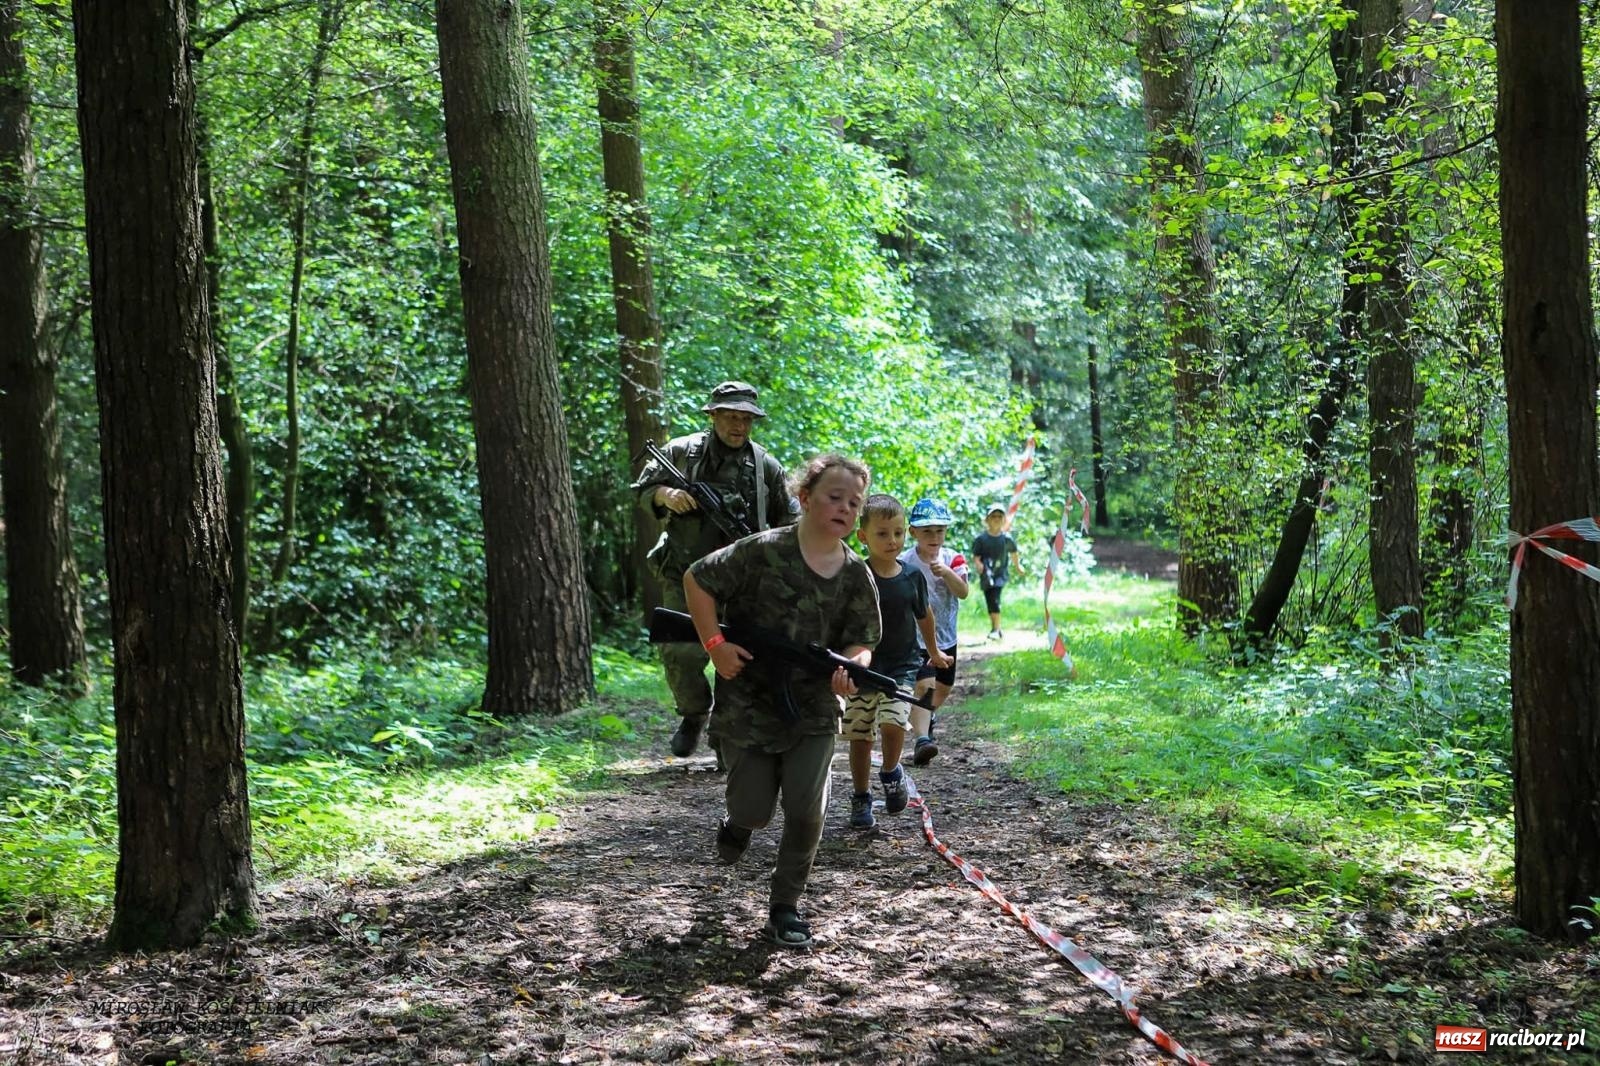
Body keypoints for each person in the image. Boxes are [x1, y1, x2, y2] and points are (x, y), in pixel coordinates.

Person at [684, 455, 879, 948]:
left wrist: (853, 666)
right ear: (805, 498)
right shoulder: (762, 550)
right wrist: (715, 645)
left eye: (854, 503)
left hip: (814, 707)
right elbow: (697, 580)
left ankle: (785, 907)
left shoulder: (856, 574)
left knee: (807, 810)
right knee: (753, 810)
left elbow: (862, 639)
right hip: (748, 702)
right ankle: (738, 825)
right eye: (834, 497)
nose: (844, 508)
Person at [630, 381, 795, 760]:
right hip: (684, 572)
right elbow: (642, 489)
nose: (739, 426)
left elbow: (789, 522)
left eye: (746, 419)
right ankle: (693, 714)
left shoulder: (765, 467)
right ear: (714, 416)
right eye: (731, 417)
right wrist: (665, 495)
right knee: (681, 653)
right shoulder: (681, 453)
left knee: (738, 659)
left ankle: (726, 737)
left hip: (742, 582)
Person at [843, 495, 950, 830]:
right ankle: (861, 796)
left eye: (899, 533)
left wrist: (933, 651)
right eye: (882, 534)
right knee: (861, 736)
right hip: (863, 669)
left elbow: (925, 615)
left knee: (893, 723)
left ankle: (891, 772)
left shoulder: (912, 577)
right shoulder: (856, 575)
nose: (892, 541)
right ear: (863, 536)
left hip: (902, 666)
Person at [900, 497, 970, 765]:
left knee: (943, 687)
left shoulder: (954, 559)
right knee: (923, 684)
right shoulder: (905, 561)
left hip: (946, 636)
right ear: (913, 532)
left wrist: (947, 574)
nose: (934, 537)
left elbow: (963, 592)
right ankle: (922, 739)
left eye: (939, 530)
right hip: (915, 637)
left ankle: (926, 718)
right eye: (927, 531)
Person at [971, 503, 1026, 640]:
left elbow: (1014, 553)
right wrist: (978, 565)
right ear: (987, 520)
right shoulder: (981, 539)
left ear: (1004, 520)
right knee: (990, 599)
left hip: (1000, 574)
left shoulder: (1007, 539)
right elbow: (976, 556)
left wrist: (1018, 566)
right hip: (987, 575)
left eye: (999, 516)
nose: (996, 519)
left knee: (994, 599)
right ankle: (996, 628)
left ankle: (995, 629)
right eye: (993, 516)